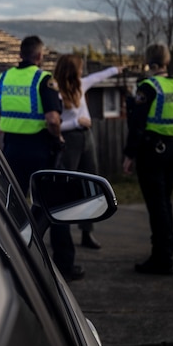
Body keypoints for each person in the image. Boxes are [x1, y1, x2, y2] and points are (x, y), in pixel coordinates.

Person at [0, 36, 84, 281]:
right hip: (41, 150)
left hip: (11, 149)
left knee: (14, 206)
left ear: (21, 54)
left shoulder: (3, 78)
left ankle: (9, 257)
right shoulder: (44, 80)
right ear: (40, 56)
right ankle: (64, 264)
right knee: (55, 205)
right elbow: (53, 119)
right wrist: (59, 137)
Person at [123, 44, 173, 275]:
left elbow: (138, 125)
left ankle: (161, 258)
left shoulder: (148, 87)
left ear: (149, 61)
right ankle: (166, 251)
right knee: (165, 202)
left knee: (157, 205)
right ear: (166, 61)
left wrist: (129, 155)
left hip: (152, 151)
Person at [53, 54, 120, 249]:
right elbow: (52, 124)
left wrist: (116, 70)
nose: (82, 72)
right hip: (69, 140)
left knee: (90, 183)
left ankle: (87, 232)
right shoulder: (56, 91)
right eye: (79, 68)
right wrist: (76, 122)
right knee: (64, 186)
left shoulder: (82, 85)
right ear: (71, 71)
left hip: (86, 138)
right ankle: (58, 231)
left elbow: (100, 76)